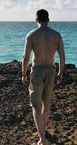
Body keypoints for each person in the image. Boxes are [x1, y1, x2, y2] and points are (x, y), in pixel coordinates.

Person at [21, 9, 65, 145]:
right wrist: (60, 73)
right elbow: (62, 57)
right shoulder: (56, 35)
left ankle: (42, 139)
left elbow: (26, 57)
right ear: (48, 19)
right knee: (46, 104)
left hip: (37, 71)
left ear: (36, 20)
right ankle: (42, 132)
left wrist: (23, 73)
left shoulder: (31, 35)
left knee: (35, 105)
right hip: (51, 71)